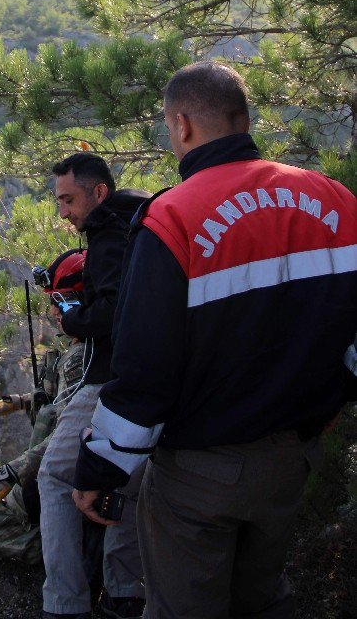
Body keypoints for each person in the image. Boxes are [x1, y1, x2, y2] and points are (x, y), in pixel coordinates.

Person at [72, 61, 357, 619]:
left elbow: (144, 367)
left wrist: (100, 471)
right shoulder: (337, 203)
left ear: (182, 126)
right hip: (292, 462)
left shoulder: (172, 219)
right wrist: (333, 401)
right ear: (245, 119)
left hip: (200, 474)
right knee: (262, 599)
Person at [38, 153, 150, 619]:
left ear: (98, 192)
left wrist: (72, 318)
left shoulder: (107, 234)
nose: (64, 212)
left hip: (109, 380)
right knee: (125, 480)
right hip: (156, 380)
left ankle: (65, 603)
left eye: (68, 199)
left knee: (55, 476)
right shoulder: (146, 219)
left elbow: (111, 310)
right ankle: (125, 593)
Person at [0, 250, 89, 565]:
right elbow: (60, 404)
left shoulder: (82, 358)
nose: (56, 312)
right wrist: (16, 402)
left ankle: (77, 554)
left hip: (61, 480)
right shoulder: (82, 349)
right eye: (54, 303)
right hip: (57, 480)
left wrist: (7, 474)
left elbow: (67, 436)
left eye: (66, 302)